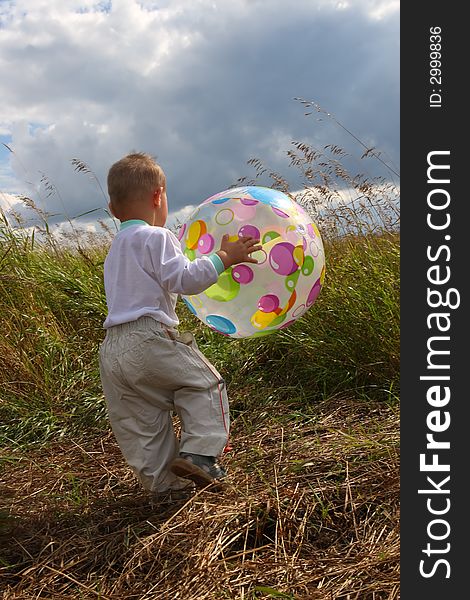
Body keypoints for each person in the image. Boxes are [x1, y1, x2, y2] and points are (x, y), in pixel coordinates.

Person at [99, 152, 261, 498]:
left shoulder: (115, 250)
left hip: (113, 351)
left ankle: (162, 489)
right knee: (205, 385)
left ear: (113, 210)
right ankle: (201, 454)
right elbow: (183, 279)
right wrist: (224, 257)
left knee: (142, 423)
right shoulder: (156, 237)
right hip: (150, 338)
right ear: (159, 196)